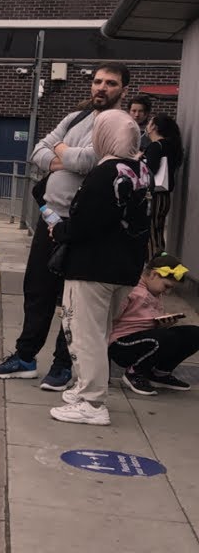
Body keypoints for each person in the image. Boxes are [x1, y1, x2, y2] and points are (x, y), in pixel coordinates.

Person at [0, 63, 130, 391]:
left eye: (110, 83)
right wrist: (68, 156)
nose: (101, 88)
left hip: (80, 226)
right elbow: (37, 150)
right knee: (37, 290)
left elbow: (86, 162)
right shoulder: (77, 118)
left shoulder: (118, 125)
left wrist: (61, 151)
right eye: (97, 81)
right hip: (49, 217)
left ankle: (63, 366)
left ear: (123, 89)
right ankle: (25, 358)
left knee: (71, 299)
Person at [48, 109, 152, 425]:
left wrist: (59, 230)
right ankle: (84, 391)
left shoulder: (105, 174)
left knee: (84, 334)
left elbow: (83, 225)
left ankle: (92, 403)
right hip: (125, 269)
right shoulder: (140, 172)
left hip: (92, 268)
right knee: (100, 332)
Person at [109, 253, 195, 396]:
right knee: (166, 337)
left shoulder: (154, 293)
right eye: (166, 286)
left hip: (146, 339)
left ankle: (160, 373)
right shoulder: (132, 290)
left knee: (193, 334)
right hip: (122, 343)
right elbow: (112, 316)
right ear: (154, 274)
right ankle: (134, 373)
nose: (167, 292)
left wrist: (164, 324)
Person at [142, 113, 183, 259]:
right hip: (164, 195)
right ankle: (162, 263)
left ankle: (156, 266)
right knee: (158, 230)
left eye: (150, 123)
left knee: (151, 231)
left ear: (154, 127)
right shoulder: (171, 146)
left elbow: (148, 171)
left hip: (153, 195)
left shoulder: (155, 146)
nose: (147, 126)